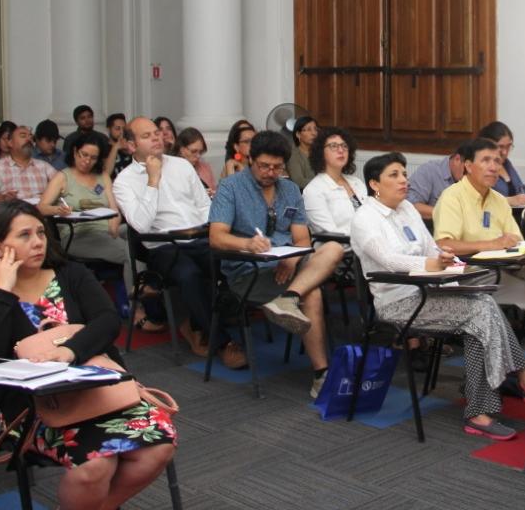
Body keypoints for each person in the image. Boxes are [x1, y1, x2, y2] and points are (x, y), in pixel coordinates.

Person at [0, 201, 175, 510]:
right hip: (35, 409)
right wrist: (3, 292)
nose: (37, 242)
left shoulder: (71, 273)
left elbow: (107, 321)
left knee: (160, 446)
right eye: (23, 235)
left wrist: (68, 350)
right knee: (96, 466)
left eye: (40, 233)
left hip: (100, 393)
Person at [351, 153, 525, 440]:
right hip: (398, 302)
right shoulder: (364, 218)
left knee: (483, 304)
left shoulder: (406, 208)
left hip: (430, 291)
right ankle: (519, 376)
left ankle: (484, 403)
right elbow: (388, 260)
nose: (404, 180)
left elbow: (431, 249)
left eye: (404, 173)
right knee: (480, 314)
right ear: (374, 183)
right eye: (394, 175)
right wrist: (428, 265)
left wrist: (447, 260)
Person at [208, 131, 344, 397]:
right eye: (264, 166)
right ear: (251, 160)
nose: (270, 172)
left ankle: (288, 298)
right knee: (313, 293)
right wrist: (247, 244)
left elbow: (302, 238)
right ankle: (320, 374)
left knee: (333, 248)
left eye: (277, 167)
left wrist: (292, 260)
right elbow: (216, 237)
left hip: (287, 267)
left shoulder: (290, 189)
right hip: (249, 270)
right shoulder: (231, 187)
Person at [113, 118, 246, 368]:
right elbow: (140, 226)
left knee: (232, 260)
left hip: (199, 237)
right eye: (147, 136)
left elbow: (204, 204)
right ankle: (223, 342)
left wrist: (211, 228)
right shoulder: (125, 181)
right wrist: (153, 181)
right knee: (189, 275)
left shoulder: (182, 166)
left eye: (157, 133)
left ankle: (197, 323)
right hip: (163, 246)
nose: (156, 138)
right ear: (131, 146)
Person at [432, 138, 525, 311]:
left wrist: (508, 242)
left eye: (497, 161)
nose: (493, 168)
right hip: (468, 272)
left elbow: (515, 238)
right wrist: (492, 245)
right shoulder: (452, 197)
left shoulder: (499, 200)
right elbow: (444, 244)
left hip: (504, 267)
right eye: (486, 160)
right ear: (469, 166)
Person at [38, 131, 128, 274]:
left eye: (93, 158)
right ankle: (138, 291)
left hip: (106, 229)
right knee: (130, 252)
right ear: (75, 151)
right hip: (78, 234)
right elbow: (41, 208)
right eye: (84, 155)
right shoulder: (62, 177)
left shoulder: (102, 176)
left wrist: (113, 226)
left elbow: (114, 209)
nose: (87, 161)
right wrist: (57, 210)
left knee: (139, 237)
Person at [302, 127, 365, 235]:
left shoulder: (357, 183)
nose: (341, 150)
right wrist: (365, 235)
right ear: (321, 152)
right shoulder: (314, 190)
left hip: (367, 245)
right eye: (333, 146)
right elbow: (329, 232)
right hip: (339, 247)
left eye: (344, 146)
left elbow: (372, 217)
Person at [0, 125, 57, 204]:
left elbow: (63, 185)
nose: (29, 139)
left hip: (40, 212)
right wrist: (2, 197)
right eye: (23, 136)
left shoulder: (44, 166)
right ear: (10, 142)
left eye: (31, 136)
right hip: (13, 212)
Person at [407, 145, 467, 220]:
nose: (469, 176)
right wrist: (446, 213)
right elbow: (410, 206)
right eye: (467, 170)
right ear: (457, 159)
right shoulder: (429, 170)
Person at [478, 121, 525, 206]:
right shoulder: (479, 167)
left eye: (508, 146)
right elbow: (479, 200)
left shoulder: (506, 164)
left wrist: (524, 197)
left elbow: (523, 189)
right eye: (501, 147)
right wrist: (508, 201)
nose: (505, 152)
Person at [172, 127, 216, 196]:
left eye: (200, 152)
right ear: (181, 150)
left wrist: (213, 194)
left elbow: (213, 191)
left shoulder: (205, 168)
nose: (198, 156)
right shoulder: (171, 170)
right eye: (194, 151)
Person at [287, 116, 318, 189]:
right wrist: (322, 185)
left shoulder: (321, 152)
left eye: (315, 129)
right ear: (298, 134)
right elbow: (299, 181)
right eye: (308, 129)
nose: (313, 133)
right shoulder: (293, 155)